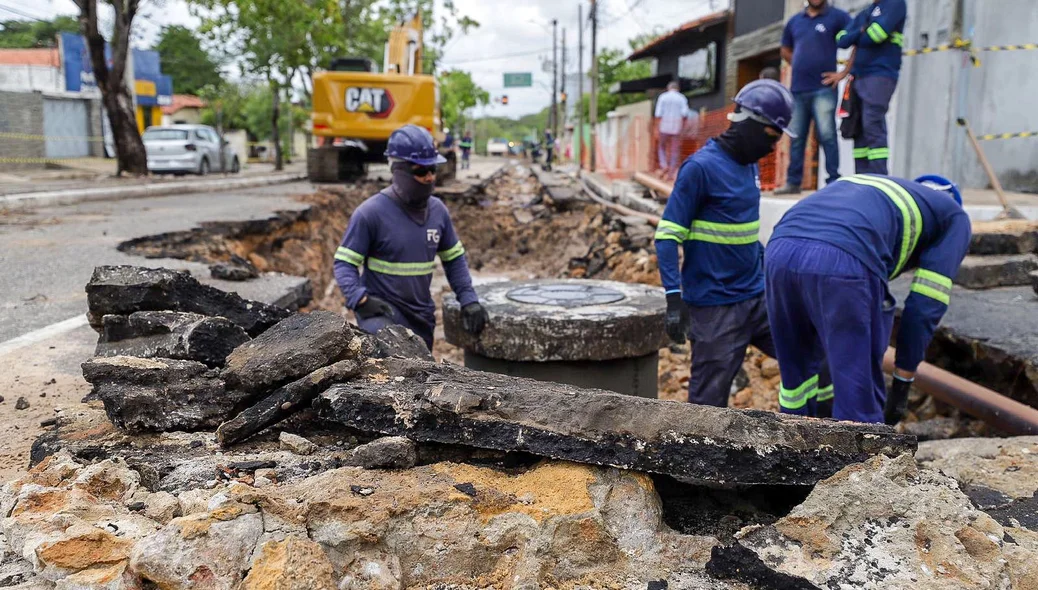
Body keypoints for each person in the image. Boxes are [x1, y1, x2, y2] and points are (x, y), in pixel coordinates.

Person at [765, 174, 971, 423]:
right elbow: (924, 308)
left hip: (778, 252)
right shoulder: (954, 218)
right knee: (857, 392)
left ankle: (790, 448)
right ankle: (861, 458)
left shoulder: (881, 190)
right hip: (843, 260)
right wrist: (902, 383)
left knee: (796, 374)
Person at [655, 80, 795, 408]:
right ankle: (695, 458)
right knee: (707, 405)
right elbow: (666, 237)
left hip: (757, 298)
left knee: (809, 354)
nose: (772, 149)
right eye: (771, 138)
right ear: (747, 125)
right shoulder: (700, 169)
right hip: (716, 309)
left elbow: (744, 235)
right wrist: (674, 301)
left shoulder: (750, 165)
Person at [333, 124, 488, 351]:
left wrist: (469, 300)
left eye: (433, 170)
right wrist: (359, 299)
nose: (429, 177)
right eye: (420, 171)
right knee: (395, 368)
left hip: (421, 315)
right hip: (382, 314)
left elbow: (454, 259)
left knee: (422, 373)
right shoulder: (370, 213)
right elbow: (344, 262)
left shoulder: (438, 212)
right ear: (398, 171)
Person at [774, 0, 853, 195]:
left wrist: (843, 73)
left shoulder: (837, 17)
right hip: (799, 89)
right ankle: (793, 182)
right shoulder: (795, 21)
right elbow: (785, 48)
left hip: (824, 88)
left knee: (827, 135)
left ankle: (834, 180)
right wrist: (800, 62)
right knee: (796, 137)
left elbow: (856, 39)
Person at [837, 0, 907, 175]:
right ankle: (862, 178)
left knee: (872, 124)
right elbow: (841, 39)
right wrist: (861, 31)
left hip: (880, 75)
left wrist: (858, 34)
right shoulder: (867, 11)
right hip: (859, 76)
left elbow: (876, 35)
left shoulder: (895, 4)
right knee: (858, 128)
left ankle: (879, 177)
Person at [654, 81, 692, 181]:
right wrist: (683, 127)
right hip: (676, 127)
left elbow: (658, 114)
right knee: (675, 150)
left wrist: (656, 128)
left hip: (664, 127)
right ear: (677, 88)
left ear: (668, 88)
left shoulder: (663, 97)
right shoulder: (682, 98)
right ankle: (670, 173)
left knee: (661, 147)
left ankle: (664, 165)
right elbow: (685, 114)